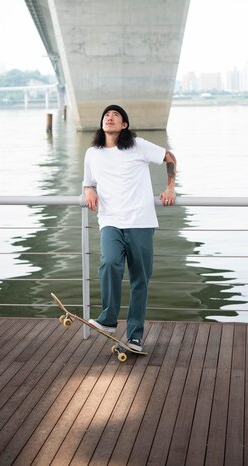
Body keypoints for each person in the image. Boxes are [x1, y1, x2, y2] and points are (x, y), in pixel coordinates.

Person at [83, 104, 176, 351]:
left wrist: (170, 188)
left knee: (139, 280)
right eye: (106, 115)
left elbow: (169, 157)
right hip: (110, 221)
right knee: (109, 263)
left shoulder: (137, 145)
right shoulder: (92, 152)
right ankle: (109, 318)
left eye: (115, 115)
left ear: (124, 125)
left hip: (140, 222)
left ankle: (134, 336)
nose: (109, 117)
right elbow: (88, 182)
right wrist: (89, 190)